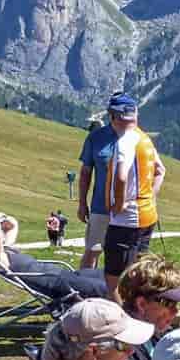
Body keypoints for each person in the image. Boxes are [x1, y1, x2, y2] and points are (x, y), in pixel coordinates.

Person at [103, 93, 166, 296]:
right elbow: (160, 170)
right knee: (139, 273)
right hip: (147, 215)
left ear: (114, 117)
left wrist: (120, 204)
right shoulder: (143, 138)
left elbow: (121, 176)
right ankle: (144, 316)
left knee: (115, 278)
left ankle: (122, 324)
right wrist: (150, 197)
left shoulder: (125, 141)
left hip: (126, 221)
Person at [0, 212, 109, 302]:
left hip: (67, 275)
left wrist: (3, 219)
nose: (2, 230)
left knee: (111, 276)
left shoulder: (7, 248)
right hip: (60, 284)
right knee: (108, 290)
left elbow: (13, 224)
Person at [76, 110, 120, 271]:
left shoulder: (136, 138)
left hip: (128, 210)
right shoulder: (96, 137)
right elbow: (85, 172)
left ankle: (120, 294)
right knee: (92, 251)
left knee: (122, 256)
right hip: (100, 207)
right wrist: (82, 203)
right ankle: (84, 289)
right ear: (111, 114)